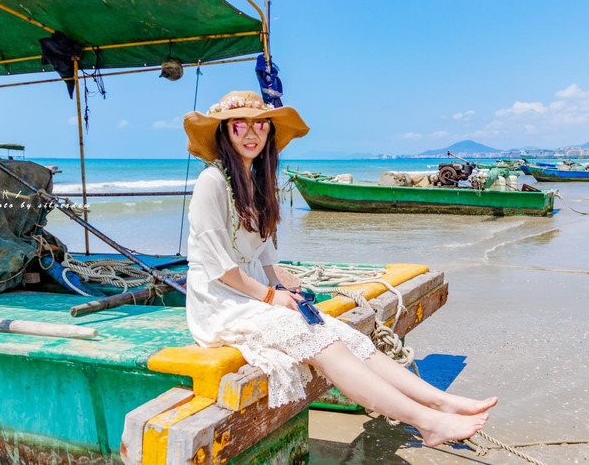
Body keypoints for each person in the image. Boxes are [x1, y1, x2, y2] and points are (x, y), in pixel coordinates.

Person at [182, 91, 496, 446]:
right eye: (239, 124)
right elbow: (219, 267)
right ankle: (426, 421)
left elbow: (263, 250)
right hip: (222, 304)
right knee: (323, 342)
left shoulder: (254, 180)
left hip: (252, 294)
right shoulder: (212, 181)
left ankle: (442, 402)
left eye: (261, 124)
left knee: (348, 336)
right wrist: (270, 296)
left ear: (270, 132)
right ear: (224, 131)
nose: (251, 133)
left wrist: (279, 288)